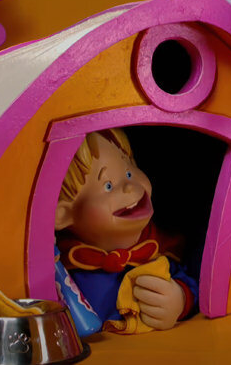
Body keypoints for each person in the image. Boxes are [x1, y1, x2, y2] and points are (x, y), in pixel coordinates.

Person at [54, 128, 197, 332]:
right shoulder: (63, 267)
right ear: (62, 214)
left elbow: (192, 284)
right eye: (108, 186)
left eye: (129, 172)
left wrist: (179, 300)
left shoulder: (160, 248)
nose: (130, 187)